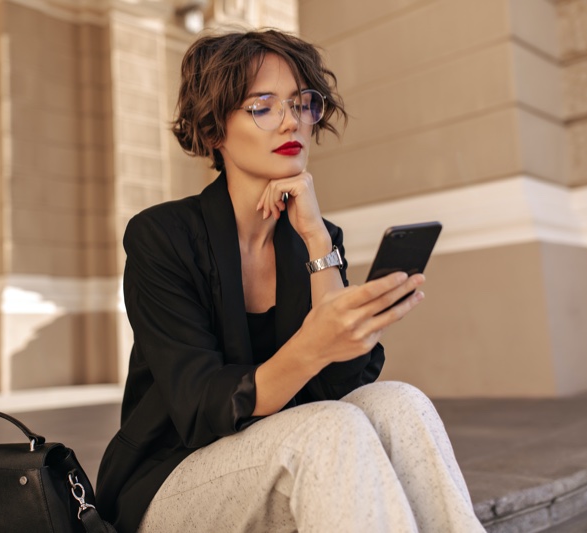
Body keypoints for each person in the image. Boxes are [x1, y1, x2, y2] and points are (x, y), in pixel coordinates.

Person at [96, 29, 485, 533]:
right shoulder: (163, 236)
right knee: (330, 427)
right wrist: (313, 345)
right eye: (262, 106)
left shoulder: (314, 234)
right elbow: (197, 406)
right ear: (215, 131)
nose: (291, 121)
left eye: (302, 103)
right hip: (174, 479)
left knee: (399, 402)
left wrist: (319, 243)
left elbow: (343, 383)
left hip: (287, 450)